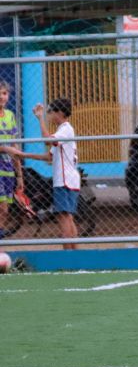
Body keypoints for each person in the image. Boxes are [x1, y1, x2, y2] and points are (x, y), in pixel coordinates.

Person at [21, 98, 79, 250]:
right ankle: (75, 253)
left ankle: (68, 255)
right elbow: (49, 156)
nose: (49, 116)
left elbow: (47, 141)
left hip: (65, 180)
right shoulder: (63, 131)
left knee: (63, 217)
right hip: (69, 179)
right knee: (67, 217)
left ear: (59, 112)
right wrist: (23, 155)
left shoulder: (65, 129)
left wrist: (40, 119)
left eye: (50, 113)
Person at [0, 81, 24, 241]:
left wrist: (19, 175)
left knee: (5, 210)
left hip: (7, 169)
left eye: (4, 93)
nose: (2, 97)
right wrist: (6, 148)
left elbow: (15, 147)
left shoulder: (10, 116)